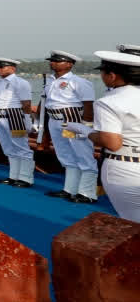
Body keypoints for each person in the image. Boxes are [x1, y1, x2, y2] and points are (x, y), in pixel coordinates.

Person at [34, 51, 97, 203]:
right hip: (55, 120)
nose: (52, 63)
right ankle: (70, 189)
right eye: (52, 61)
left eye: (57, 61)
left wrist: (86, 127)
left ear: (69, 64)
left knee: (83, 155)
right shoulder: (50, 81)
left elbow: (88, 105)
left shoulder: (79, 82)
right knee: (66, 155)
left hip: (72, 119)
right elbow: (45, 101)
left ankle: (87, 193)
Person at [86, 49, 140, 222]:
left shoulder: (109, 102)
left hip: (125, 168)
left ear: (112, 76)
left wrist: (87, 133)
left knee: (132, 222)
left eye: (103, 72)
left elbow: (112, 143)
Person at [0, 57, 35, 187]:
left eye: (2, 67)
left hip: (15, 117)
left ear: (12, 68)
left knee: (22, 147)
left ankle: (25, 178)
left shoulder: (21, 82)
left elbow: (26, 104)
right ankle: (13, 176)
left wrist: (27, 120)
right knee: (8, 148)